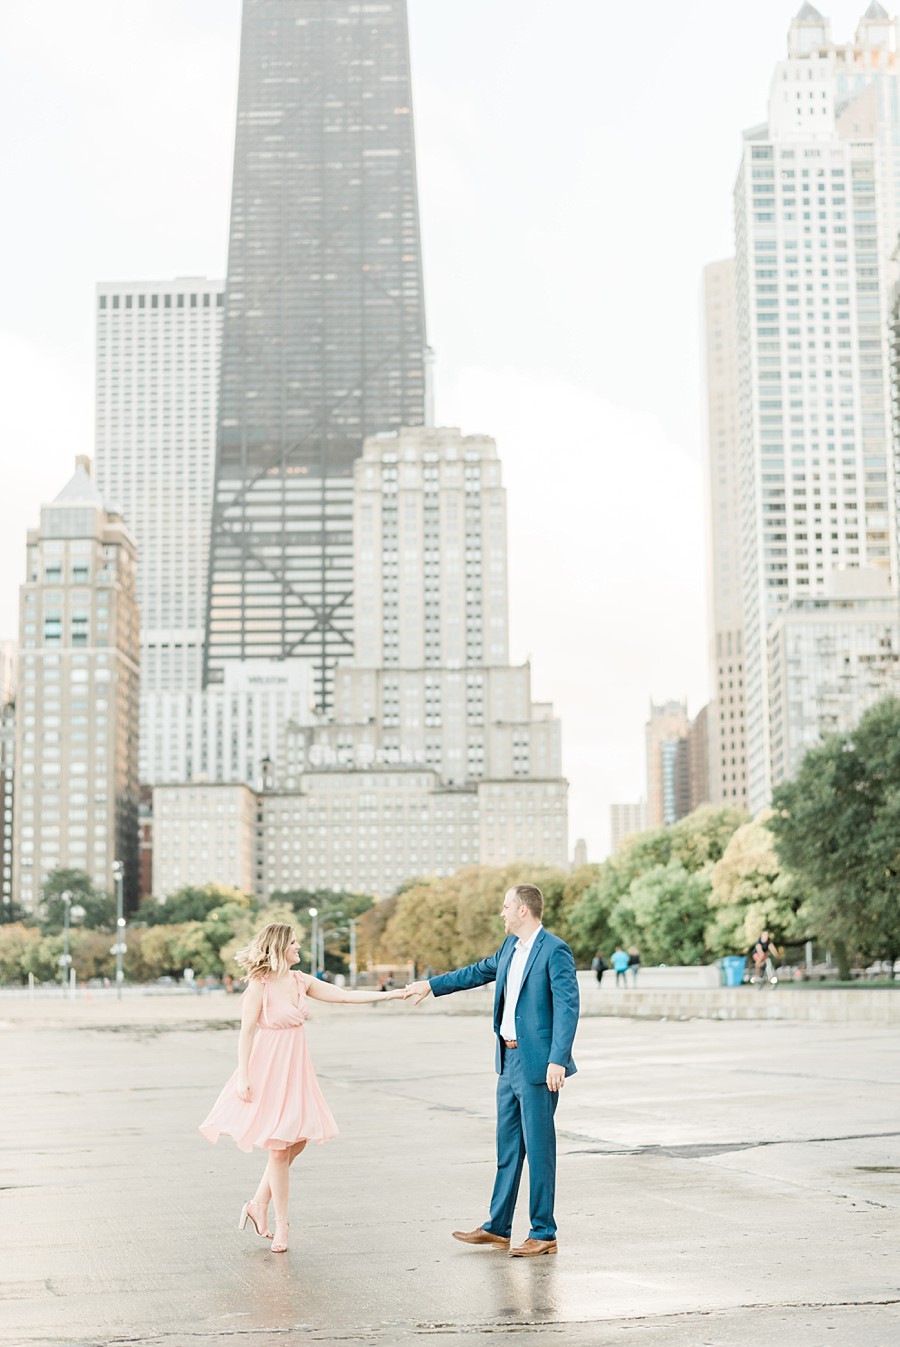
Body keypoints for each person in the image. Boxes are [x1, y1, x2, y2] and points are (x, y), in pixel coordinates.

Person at [199, 922, 409, 1253]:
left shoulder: (300, 981)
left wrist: (393, 994)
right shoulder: (259, 984)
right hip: (268, 1069)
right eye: (294, 943)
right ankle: (281, 1226)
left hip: (296, 1071)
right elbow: (246, 1032)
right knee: (280, 1148)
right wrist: (243, 1075)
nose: (299, 948)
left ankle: (257, 1202)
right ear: (280, 947)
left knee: (297, 1142)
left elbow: (344, 996)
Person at [405, 883, 579, 1258]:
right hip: (508, 1061)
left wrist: (557, 1060)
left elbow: (568, 1007)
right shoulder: (508, 949)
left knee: (540, 1149)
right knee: (508, 1148)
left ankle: (543, 1232)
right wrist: (430, 986)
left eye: (505, 907)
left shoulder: (554, 950)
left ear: (523, 911)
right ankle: (497, 1228)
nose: (501, 913)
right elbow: (475, 973)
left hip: (539, 1065)